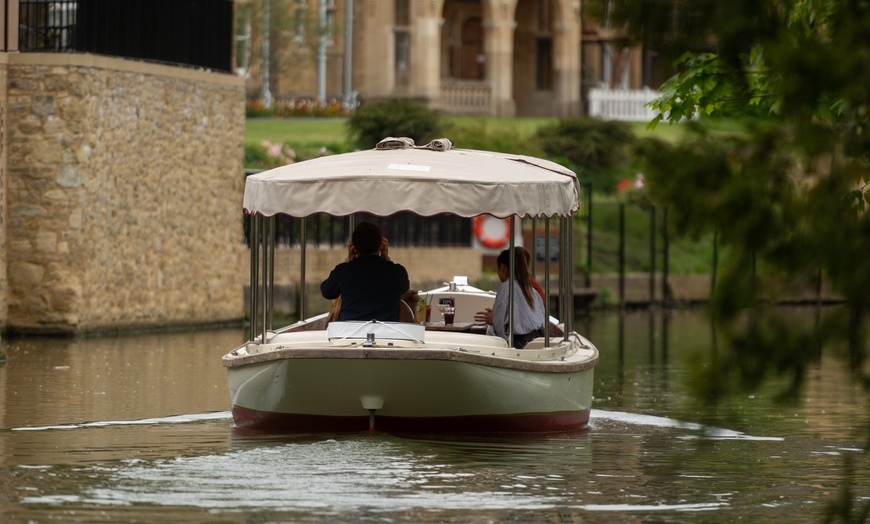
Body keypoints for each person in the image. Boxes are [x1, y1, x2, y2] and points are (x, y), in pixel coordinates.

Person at [321, 221, 410, 322]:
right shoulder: (397, 272)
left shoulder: (343, 271)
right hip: (386, 334)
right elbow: (404, 288)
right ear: (381, 245)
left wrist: (350, 261)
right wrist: (386, 258)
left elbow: (327, 292)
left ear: (353, 247)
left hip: (350, 335)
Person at [474, 248, 545, 349]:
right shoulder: (530, 288)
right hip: (535, 339)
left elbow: (500, 327)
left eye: (497, 269)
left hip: (518, 343)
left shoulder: (507, 287)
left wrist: (495, 320)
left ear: (502, 267)